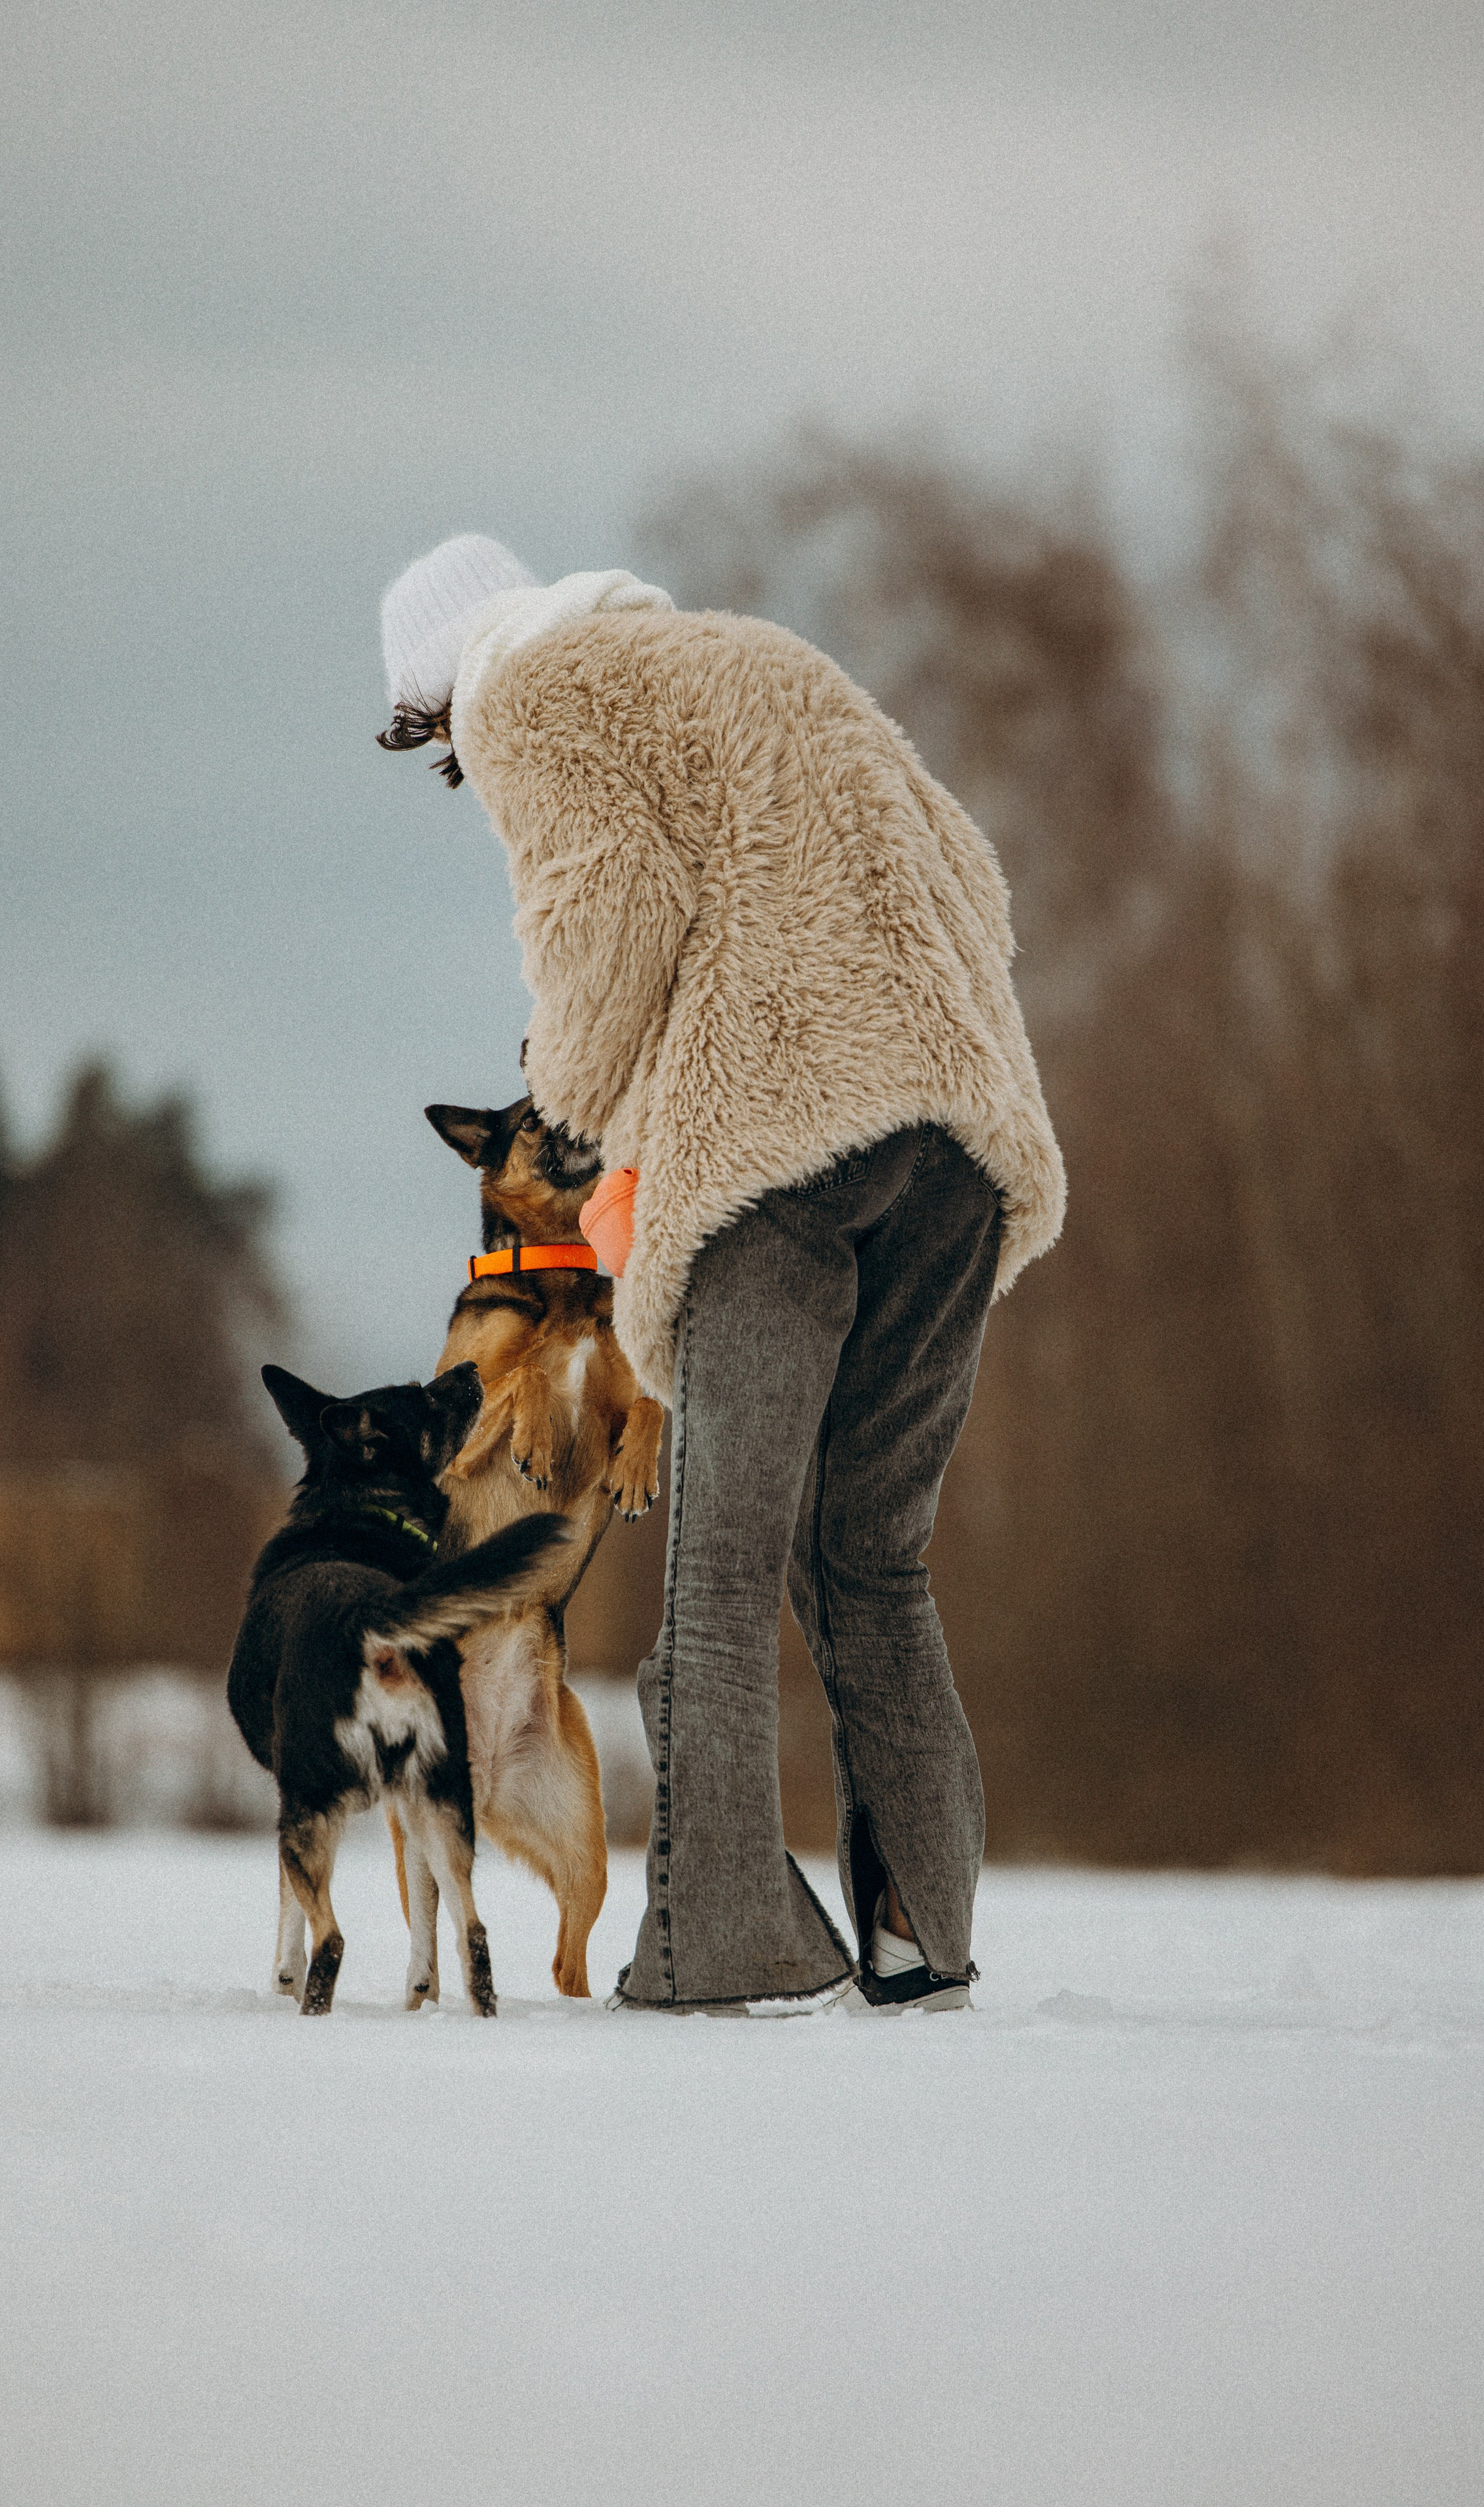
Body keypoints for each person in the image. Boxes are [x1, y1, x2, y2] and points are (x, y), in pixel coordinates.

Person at [378, 534, 1065, 2014]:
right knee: (871, 1554)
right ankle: (921, 1934)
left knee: (721, 1564)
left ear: (445, 685)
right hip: (957, 1136)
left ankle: (717, 1940)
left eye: (432, 739)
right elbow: (973, 877)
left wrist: (568, 1101)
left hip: (781, 1147)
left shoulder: (531, 690)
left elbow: (608, 910)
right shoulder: (751, 664)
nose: (456, 770)